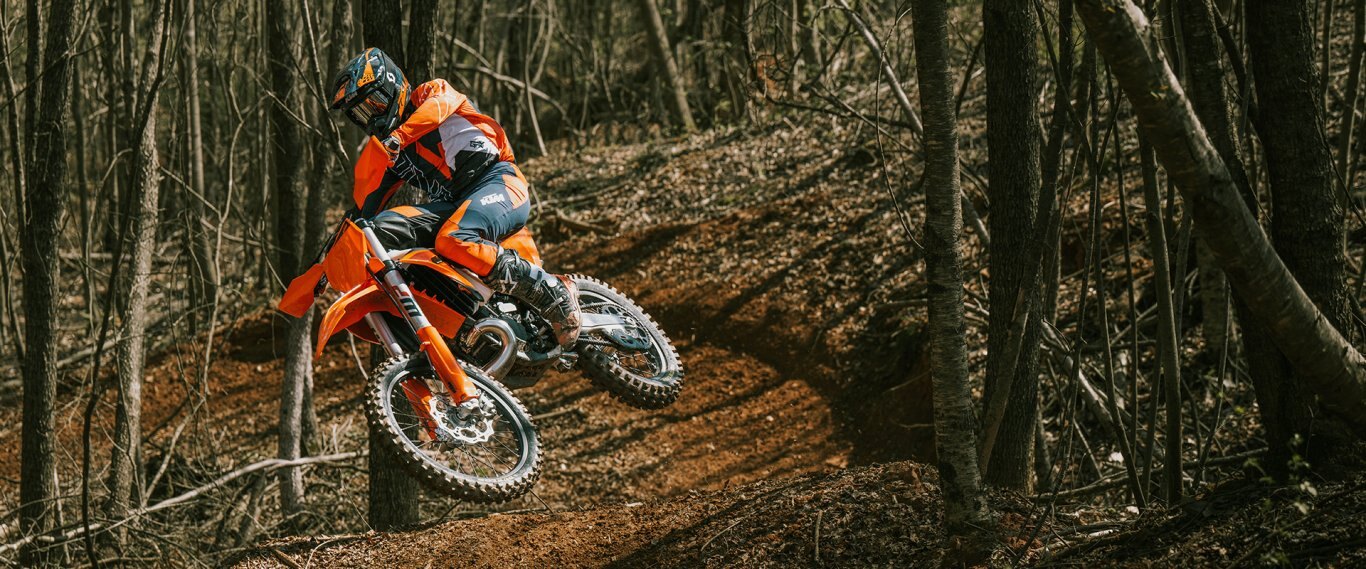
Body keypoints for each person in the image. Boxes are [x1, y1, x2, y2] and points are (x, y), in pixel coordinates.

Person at [328, 47, 579, 348]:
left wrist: (399, 137)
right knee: (382, 228)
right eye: (361, 112)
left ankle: (551, 290)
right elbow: (364, 209)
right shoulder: (392, 154)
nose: (371, 116)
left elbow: (440, 107)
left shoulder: (431, 93)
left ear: (392, 86)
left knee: (452, 239)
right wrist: (327, 260)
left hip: (498, 181)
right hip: (458, 205)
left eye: (375, 103)